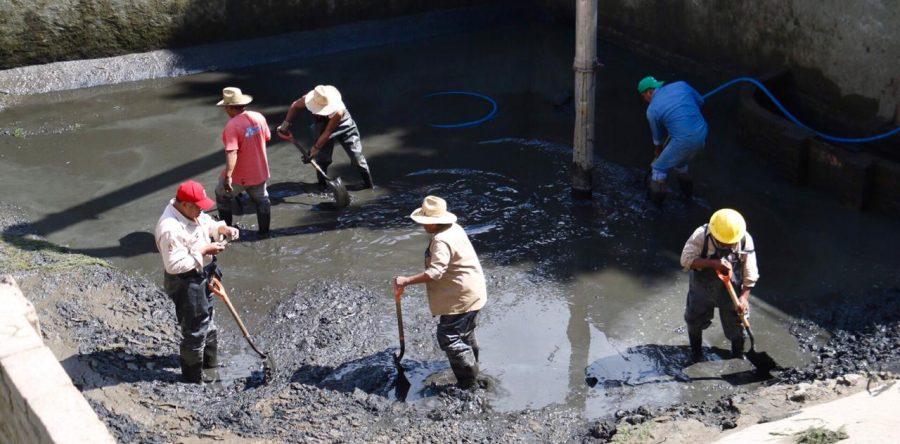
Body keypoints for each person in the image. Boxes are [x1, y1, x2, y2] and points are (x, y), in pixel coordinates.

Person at [393, 196, 486, 389]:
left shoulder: (441, 241)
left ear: (434, 223)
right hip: (473, 290)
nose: (421, 225)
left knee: (448, 336)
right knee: (466, 333)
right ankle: (475, 371)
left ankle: (468, 382)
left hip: (461, 297)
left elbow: (435, 272)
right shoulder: (454, 229)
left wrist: (407, 281)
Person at [154, 180, 239, 383]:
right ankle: (192, 379)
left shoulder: (192, 213)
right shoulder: (169, 228)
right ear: (184, 205)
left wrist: (223, 228)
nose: (201, 210)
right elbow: (174, 265)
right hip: (186, 281)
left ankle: (211, 366)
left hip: (203, 274)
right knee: (194, 330)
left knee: (208, 320)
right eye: (198, 206)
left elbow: (206, 223)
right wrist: (204, 250)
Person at [680, 208, 759, 363]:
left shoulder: (744, 239)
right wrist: (712, 263)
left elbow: (750, 272)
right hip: (701, 289)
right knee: (694, 321)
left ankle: (737, 355)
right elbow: (685, 260)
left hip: (732, 291)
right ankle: (696, 354)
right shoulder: (701, 235)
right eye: (724, 243)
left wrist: (743, 297)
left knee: (737, 325)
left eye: (731, 243)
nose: (729, 246)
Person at [276, 85, 374, 190]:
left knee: (357, 157)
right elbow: (295, 106)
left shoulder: (338, 111)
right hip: (321, 124)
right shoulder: (309, 99)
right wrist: (285, 126)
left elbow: (328, 132)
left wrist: (315, 147)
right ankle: (322, 187)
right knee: (322, 159)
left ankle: (368, 185)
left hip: (344, 124)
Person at [638, 76, 708, 205]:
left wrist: (658, 151)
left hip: (684, 140)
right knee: (680, 164)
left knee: (658, 170)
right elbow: (701, 101)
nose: (645, 100)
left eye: (643, 96)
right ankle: (688, 197)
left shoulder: (652, 110)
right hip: (702, 134)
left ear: (649, 92)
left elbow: (657, 137)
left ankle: (655, 209)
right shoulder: (681, 85)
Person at [215, 87, 272, 236]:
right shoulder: (259, 117)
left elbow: (232, 152)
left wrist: (228, 177)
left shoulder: (232, 126)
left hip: (240, 176)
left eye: (226, 107)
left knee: (221, 194)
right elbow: (267, 137)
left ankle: (227, 231)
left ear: (230, 107)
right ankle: (264, 233)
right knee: (262, 199)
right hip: (260, 172)